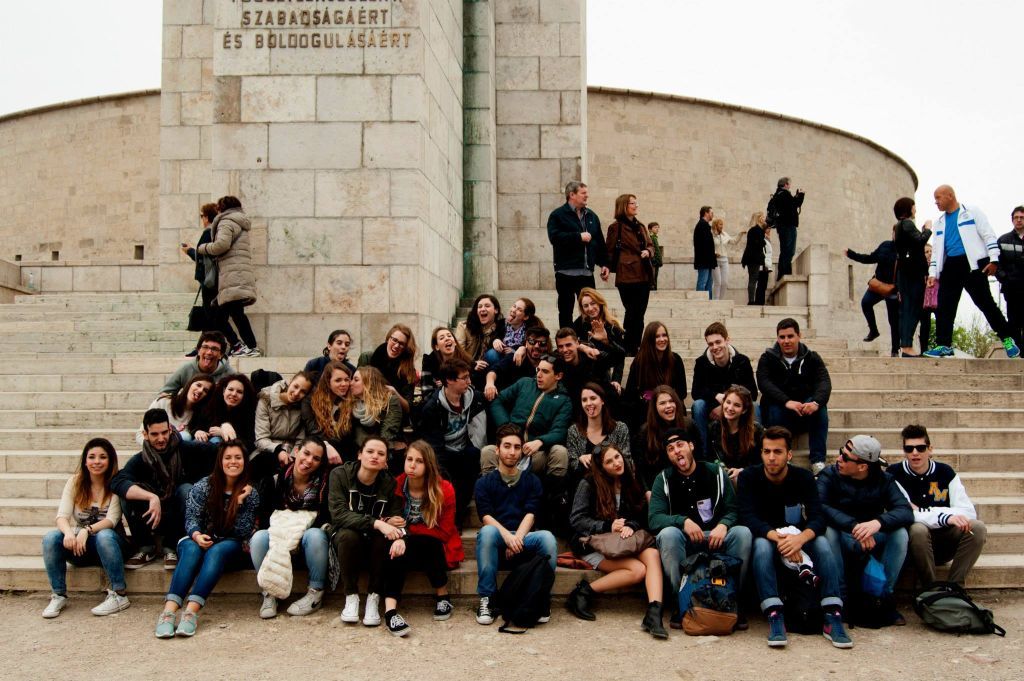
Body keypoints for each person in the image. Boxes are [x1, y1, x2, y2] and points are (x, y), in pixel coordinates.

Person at [737, 426, 852, 648]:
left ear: (789, 454)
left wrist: (800, 540)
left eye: (777, 452)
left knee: (822, 542)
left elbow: (818, 517)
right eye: (767, 451)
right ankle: (774, 614)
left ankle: (833, 614)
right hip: (768, 538)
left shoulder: (804, 477)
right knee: (761, 546)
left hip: (797, 539)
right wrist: (779, 538)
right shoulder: (748, 477)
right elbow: (747, 516)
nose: (771, 457)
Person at [154, 440, 260, 637]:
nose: (233, 462)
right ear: (220, 461)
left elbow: (242, 531)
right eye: (228, 458)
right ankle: (168, 612)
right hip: (198, 538)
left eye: (238, 457)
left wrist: (238, 503)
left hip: (229, 545)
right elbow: (191, 517)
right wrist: (196, 534)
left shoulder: (250, 493)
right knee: (191, 548)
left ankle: (191, 613)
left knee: (218, 550)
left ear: (245, 461)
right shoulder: (204, 485)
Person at [649, 427, 751, 628]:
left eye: (680, 445)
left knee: (742, 533)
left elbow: (734, 509)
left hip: (716, 537)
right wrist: (683, 522)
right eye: (670, 449)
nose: (676, 451)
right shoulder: (663, 479)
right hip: (684, 541)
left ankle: (732, 602)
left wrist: (724, 525)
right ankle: (682, 602)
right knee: (667, 535)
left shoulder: (716, 473)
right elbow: (654, 519)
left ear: (691, 446)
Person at [567, 444, 667, 639]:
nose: (616, 463)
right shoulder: (588, 483)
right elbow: (577, 519)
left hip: (623, 542)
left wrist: (631, 524)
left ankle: (654, 614)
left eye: (617, 457)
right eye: (609, 461)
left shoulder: (631, 479)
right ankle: (582, 592)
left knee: (653, 554)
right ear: (601, 467)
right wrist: (607, 526)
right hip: (595, 545)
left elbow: (641, 514)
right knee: (638, 570)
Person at [818, 435, 912, 624]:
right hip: (842, 534)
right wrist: (854, 526)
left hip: (872, 536)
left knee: (900, 534)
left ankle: (882, 597)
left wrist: (877, 523)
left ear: (862, 466)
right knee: (827, 532)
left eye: (845, 457)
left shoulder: (884, 480)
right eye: (841, 452)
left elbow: (905, 511)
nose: (839, 459)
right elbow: (819, 506)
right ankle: (840, 598)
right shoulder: (829, 475)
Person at [472, 424, 558, 627]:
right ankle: (487, 599)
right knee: (487, 532)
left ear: (522, 451)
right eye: (507, 446)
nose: (512, 452)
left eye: (517, 447)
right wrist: (508, 538)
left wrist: (517, 539)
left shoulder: (532, 481)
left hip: (523, 539)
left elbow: (531, 514)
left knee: (547, 538)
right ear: (497, 450)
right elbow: (486, 516)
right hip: (498, 540)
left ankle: (541, 597)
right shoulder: (484, 483)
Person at [924, 185, 1020, 358]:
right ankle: (943, 344)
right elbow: (937, 251)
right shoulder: (939, 223)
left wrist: (994, 259)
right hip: (951, 265)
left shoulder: (972, 212)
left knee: (986, 303)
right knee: (945, 306)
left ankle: (1007, 338)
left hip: (973, 264)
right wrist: (932, 274)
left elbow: (988, 235)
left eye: (938, 198)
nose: (936, 202)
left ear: (950, 196)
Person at [887, 424, 987, 588]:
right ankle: (930, 588)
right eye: (909, 449)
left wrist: (933, 514)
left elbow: (968, 512)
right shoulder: (893, 474)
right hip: (914, 547)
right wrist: (947, 516)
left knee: (978, 528)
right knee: (918, 529)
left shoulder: (945, 472)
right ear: (904, 451)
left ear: (930, 449)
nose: (915, 453)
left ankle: (955, 587)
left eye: (920, 448)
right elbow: (905, 514)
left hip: (944, 544)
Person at [41, 438, 130, 618]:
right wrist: (68, 533)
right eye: (92, 457)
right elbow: (62, 516)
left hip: (111, 546)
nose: (97, 461)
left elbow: (112, 520)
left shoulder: (116, 482)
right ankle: (58, 595)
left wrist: (85, 530)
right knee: (51, 538)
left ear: (110, 460)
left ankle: (119, 594)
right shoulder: (75, 482)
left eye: (103, 457)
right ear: (85, 460)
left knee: (105, 535)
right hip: (82, 546)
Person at [383, 441, 464, 636]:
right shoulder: (395, 485)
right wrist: (388, 521)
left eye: (419, 461)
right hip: (402, 545)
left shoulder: (444, 489)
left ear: (428, 465)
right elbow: (382, 515)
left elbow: (444, 531)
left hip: (434, 545)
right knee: (395, 551)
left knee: (428, 543)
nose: (412, 465)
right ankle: (390, 612)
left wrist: (405, 536)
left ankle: (443, 596)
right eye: (409, 459)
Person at [249, 437, 330, 618]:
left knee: (316, 534)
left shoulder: (324, 484)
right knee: (259, 537)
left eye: (316, 458)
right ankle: (269, 592)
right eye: (306, 453)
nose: (309, 460)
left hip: (307, 545)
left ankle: (315, 593)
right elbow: (265, 520)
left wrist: (297, 533)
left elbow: (325, 519)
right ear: (296, 451)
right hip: (278, 542)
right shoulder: (274, 480)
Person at [112, 409, 201, 569]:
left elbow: (221, 454)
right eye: (154, 434)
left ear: (170, 429)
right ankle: (146, 547)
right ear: (145, 434)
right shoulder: (139, 460)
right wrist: (151, 497)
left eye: (164, 432)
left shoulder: (187, 450)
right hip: (150, 517)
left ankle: (172, 547)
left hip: (178, 518)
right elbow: (118, 482)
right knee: (126, 494)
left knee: (186, 490)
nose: (161, 439)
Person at [329, 437, 403, 627]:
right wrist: (377, 523)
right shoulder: (340, 475)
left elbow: (396, 517)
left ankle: (373, 597)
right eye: (370, 452)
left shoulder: (389, 483)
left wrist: (394, 528)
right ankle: (351, 597)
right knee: (349, 535)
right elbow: (339, 515)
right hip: (346, 538)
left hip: (374, 541)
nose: (375, 456)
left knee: (382, 537)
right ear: (360, 454)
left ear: (385, 461)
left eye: (381, 454)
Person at [415, 358, 488, 528]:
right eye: (464, 378)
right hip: (444, 452)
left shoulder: (475, 398)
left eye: (469, 376)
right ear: (449, 380)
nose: (469, 381)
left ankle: (457, 519)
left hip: (465, 449)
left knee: (472, 459)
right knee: (447, 479)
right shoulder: (432, 407)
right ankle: (448, 520)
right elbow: (434, 446)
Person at [481, 356, 572, 486]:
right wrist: (506, 426)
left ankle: (551, 495)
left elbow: (559, 431)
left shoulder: (564, 400)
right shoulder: (525, 383)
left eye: (545, 371)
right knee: (487, 452)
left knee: (560, 452)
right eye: (538, 370)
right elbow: (498, 400)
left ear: (558, 376)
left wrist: (540, 441)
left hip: (535, 454)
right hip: (510, 448)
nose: (539, 375)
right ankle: (494, 492)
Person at [757, 318, 831, 476]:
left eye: (790, 336)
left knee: (820, 407)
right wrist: (786, 401)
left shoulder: (812, 358)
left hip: (804, 412)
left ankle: (817, 461)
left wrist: (816, 402)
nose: (786, 341)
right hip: (778, 413)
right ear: (777, 338)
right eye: (782, 337)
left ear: (799, 336)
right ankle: (783, 457)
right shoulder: (767, 358)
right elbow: (764, 383)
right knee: (774, 405)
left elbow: (824, 382)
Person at [195, 195, 260, 357]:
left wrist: (202, 248)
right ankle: (249, 347)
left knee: (219, 316)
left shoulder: (226, 222)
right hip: (238, 273)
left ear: (223, 208)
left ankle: (242, 346)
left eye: (218, 208)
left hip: (232, 275)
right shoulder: (239, 221)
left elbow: (221, 245)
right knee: (235, 314)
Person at [547, 180, 610, 328]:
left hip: (586, 274)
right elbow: (554, 238)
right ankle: (566, 339)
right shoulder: (557, 215)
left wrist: (604, 263)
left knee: (592, 310)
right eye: (583, 193)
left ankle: (592, 337)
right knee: (565, 311)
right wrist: (578, 237)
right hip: (565, 273)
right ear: (572, 195)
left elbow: (599, 242)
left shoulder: (592, 216)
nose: (587, 196)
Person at [690, 322, 758, 449]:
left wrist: (726, 405)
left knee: (755, 406)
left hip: (736, 407)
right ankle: (703, 453)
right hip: (712, 408)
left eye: (718, 342)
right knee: (698, 405)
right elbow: (696, 391)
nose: (715, 347)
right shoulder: (701, 363)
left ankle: (753, 449)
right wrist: (715, 397)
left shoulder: (742, 361)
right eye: (711, 344)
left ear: (727, 340)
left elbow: (752, 393)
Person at [181, 203, 237, 354]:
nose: (202, 219)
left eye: (202, 216)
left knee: (214, 317)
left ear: (207, 217)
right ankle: (201, 347)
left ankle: (235, 343)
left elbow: (203, 259)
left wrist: (189, 251)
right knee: (210, 317)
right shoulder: (218, 232)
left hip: (210, 282)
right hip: (215, 280)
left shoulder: (208, 232)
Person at [605, 193, 655, 354]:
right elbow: (609, 251)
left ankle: (636, 346)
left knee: (640, 314)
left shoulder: (641, 226)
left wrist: (648, 251)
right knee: (632, 312)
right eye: (632, 203)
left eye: (636, 203)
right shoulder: (616, 227)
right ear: (624, 206)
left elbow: (651, 245)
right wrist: (606, 266)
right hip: (627, 276)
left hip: (644, 275)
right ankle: (628, 345)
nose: (636, 205)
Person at [631, 386, 700, 493]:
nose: (668, 406)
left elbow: (701, 456)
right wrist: (647, 491)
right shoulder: (644, 432)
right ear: (655, 407)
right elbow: (640, 468)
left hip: (689, 482)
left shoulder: (689, 425)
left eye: (671, 401)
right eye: (662, 403)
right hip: (658, 486)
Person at [622, 321, 687, 431]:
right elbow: (630, 393)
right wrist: (654, 400)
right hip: (647, 407)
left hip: (671, 404)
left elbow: (682, 392)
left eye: (664, 335)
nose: (662, 339)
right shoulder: (639, 362)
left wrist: (664, 399)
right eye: (657, 336)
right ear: (649, 340)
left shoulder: (676, 359)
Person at [845, 236, 900, 356]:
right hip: (878, 285)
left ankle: (895, 350)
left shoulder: (905, 249)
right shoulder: (885, 245)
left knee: (893, 320)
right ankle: (873, 331)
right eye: (895, 232)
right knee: (865, 303)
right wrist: (852, 254)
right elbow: (870, 258)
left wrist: (900, 289)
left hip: (893, 289)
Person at [566, 382, 631, 482]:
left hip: (615, 483)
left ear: (602, 400)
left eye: (593, 398)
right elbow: (572, 465)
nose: (588, 403)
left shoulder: (620, 428)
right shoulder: (574, 431)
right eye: (584, 400)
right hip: (586, 484)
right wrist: (581, 460)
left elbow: (627, 461)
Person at [892, 197, 933, 357]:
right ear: (908, 208)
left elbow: (912, 243)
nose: (915, 209)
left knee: (907, 309)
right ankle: (907, 346)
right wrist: (927, 229)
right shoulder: (907, 223)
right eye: (914, 206)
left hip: (906, 273)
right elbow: (920, 241)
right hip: (913, 273)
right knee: (913, 309)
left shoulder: (899, 226)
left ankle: (906, 346)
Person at [253, 371, 314, 474]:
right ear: (289, 382)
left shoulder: (303, 407)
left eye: (303, 391)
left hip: (292, 454)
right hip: (267, 452)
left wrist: (293, 457)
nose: (296, 393)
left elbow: (300, 440)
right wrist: (279, 451)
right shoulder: (266, 399)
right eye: (295, 386)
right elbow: (261, 438)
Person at [554, 327, 618, 416]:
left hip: (602, 410)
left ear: (577, 343)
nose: (565, 350)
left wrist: (606, 341)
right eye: (560, 346)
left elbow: (617, 357)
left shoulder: (591, 357)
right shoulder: (557, 363)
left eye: (568, 345)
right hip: (575, 413)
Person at [349, 366, 404, 472]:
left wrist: (380, 455)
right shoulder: (351, 403)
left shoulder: (389, 400)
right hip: (357, 454)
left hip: (381, 452)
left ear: (369, 382)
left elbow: (389, 431)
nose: (351, 383)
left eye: (356, 380)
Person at [136, 373, 213, 445]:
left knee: (186, 437)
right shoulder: (164, 402)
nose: (200, 390)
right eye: (198, 385)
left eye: (205, 390)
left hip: (179, 452)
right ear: (189, 384)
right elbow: (140, 434)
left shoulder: (200, 416)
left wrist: (198, 432)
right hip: (156, 448)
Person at [706, 385, 764, 482]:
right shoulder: (714, 428)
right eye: (728, 402)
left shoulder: (757, 431)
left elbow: (760, 463)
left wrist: (742, 471)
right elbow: (709, 458)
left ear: (744, 410)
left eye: (736, 405)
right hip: (723, 477)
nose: (730, 408)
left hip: (748, 477)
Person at [300, 360, 352, 465]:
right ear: (328, 382)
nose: (344, 384)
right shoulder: (310, 401)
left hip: (341, 450)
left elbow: (346, 436)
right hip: (316, 447)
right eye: (338, 380)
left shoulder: (349, 401)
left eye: (347, 380)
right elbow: (313, 430)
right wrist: (327, 446)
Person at [190, 373, 258, 452]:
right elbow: (195, 427)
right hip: (203, 447)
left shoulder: (248, 415)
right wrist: (197, 432)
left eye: (239, 392)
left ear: (244, 396)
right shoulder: (210, 406)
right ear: (223, 391)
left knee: (216, 440)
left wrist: (223, 433)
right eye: (230, 389)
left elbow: (250, 444)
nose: (234, 394)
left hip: (230, 453)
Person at [572, 287, 627, 385]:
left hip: (602, 374)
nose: (590, 308)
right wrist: (583, 347)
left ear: (600, 303)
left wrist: (606, 340)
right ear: (582, 308)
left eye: (593, 303)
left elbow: (621, 355)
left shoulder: (613, 326)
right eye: (586, 306)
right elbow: (568, 341)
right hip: (582, 372)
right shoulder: (580, 322)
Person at [360, 323, 417, 415]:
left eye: (401, 344)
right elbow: (357, 388)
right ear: (388, 338)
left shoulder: (408, 370)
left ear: (405, 348)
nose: (396, 346)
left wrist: (394, 392)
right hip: (366, 410)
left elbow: (408, 407)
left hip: (393, 413)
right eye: (394, 340)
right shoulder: (368, 358)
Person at [159, 331, 231, 397]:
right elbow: (165, 393)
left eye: (214, 349)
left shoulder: (229, 374)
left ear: (221, 354)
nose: (209, 352)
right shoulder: (186, 369)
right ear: (198, 350)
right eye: (205, 347)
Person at [485, 326, 552, 396]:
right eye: (532, 342)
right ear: (526, 343)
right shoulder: (516, 355)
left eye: (542, 343)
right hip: (505, 396)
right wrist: (490, 384)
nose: (536, 346)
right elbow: (494, 370)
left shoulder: (549, 361)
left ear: (546, 345)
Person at [456, 294, 506, 387]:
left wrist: (498, 340)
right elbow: (458, 353)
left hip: (492, 371)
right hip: (471, 369)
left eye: (487, 306)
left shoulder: (502, 327)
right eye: (479, 307)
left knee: (493, 354)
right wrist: (473, 364)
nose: (482, 309)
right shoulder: (464, 327)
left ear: (496, 310)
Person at [484, 297, 542, 371]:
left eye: (519, 310)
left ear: (525, 317)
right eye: (514, 306)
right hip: (500, 357)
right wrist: (496, 340)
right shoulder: (502, 323)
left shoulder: (530, 330)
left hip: (518, 361)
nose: (514, 310)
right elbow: (492, 338)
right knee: (491, 354)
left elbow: (532, 348)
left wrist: (514, 350)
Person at [996, 205, 1024, 349]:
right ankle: (1017, 353)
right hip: (1011, 288)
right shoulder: (1003, 240)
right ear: (1012, 220)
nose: (1019, 220)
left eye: (1022, 217)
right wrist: (1004, 278)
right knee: (1014, 321)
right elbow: (996, 264)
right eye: (1016, 217)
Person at [770, 177, 805, 282]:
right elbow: (795, 204)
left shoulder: (778, 194)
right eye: (789, 184)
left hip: (782, 226)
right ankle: (785, 273)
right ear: (785, 184)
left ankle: (782, 274)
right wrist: (801, 194)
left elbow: (789, 205)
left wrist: (795, 197)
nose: (790, 186)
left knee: (785, 250)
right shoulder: (784, 194)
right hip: (788, 226)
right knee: (789, 250)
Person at [421, 326, 473, 392]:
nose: (447, 339)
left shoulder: (466, 361)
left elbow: (472, 387)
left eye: (449, 336)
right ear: (437, 347)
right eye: (442, 338)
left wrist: (448, 385)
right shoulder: (429, 362)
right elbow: (426, 391)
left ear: (455, 342)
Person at [741, 212, 772, 305]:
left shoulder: (754, 230)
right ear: (759, 219)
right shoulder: (756, 230)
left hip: (752, 258)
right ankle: (751, 301)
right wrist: (763, 242)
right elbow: (757, 244)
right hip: (753, 259)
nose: (764, 219)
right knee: (753, 279)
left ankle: (751, 300)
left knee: (753, 279)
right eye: (762, 217)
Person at [692, 206, 717, 298]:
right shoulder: (702, 225)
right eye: (711, 213)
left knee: (709, 284)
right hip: (704, 260)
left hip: (707, 260)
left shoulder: (705, 225)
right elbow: (702, 245)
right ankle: (700, 302)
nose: (713, 215)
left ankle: (708, 303)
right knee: (703, 282)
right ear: (706, 213)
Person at [711, 217, 734, 301]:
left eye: (722, 224)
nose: (722, 226)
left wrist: (741, 234)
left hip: (724, 260)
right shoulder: (711, 235)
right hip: (715, 261)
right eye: (720, 224)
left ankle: (721, 300)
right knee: (718, 282)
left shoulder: (725, 234)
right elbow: (709, 246)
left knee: (724, 282)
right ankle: (716, 300)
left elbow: (734, 241)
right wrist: (714, 253)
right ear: (716, 225)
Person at [648, 221, 664, 290]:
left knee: (655, 278)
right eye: (655, 227)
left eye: (658, 227)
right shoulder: (651, 238)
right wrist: (654, 260)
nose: (657, 229)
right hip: (653, 262)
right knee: (653, 279)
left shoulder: (655, 237)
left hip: (656, 262)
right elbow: (653, 250)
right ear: (650, 229)